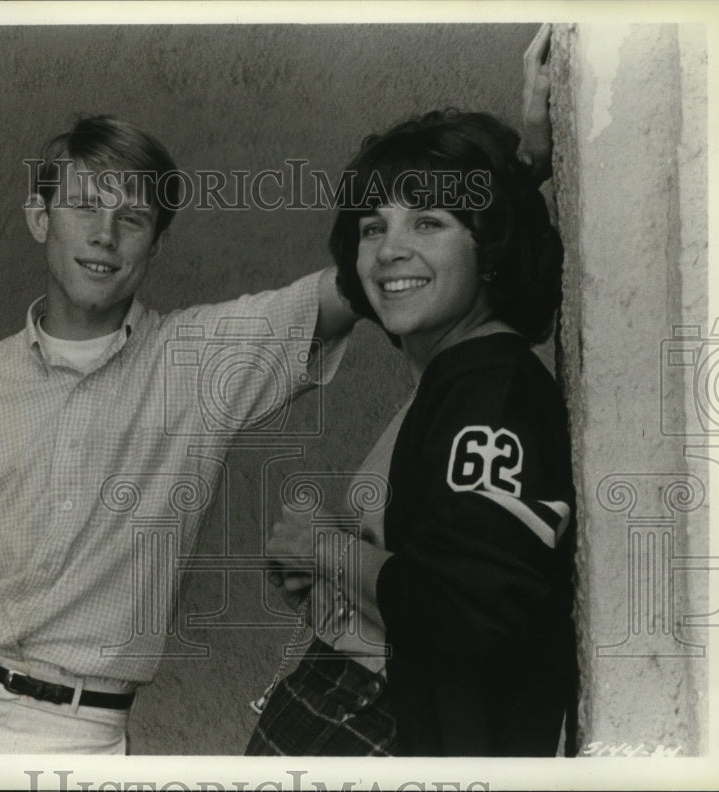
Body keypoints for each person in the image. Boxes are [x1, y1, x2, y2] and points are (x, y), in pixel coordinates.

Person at [0, 27, 555, 757]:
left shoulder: (200, 358)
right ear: (38, 216)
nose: (105, 234)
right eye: (83, 206)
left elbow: (383, 270)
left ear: (156, 242)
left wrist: (528, 166)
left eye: (133, 217)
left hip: (73, 734)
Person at [246, 104, 577, 757]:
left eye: (428, 221)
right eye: (374, 226)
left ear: (491, 248)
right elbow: (442, 574)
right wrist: (337, 577)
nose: (390, 248)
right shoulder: (456, 378)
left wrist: (327, 551)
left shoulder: (491, 395)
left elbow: (468, 614)